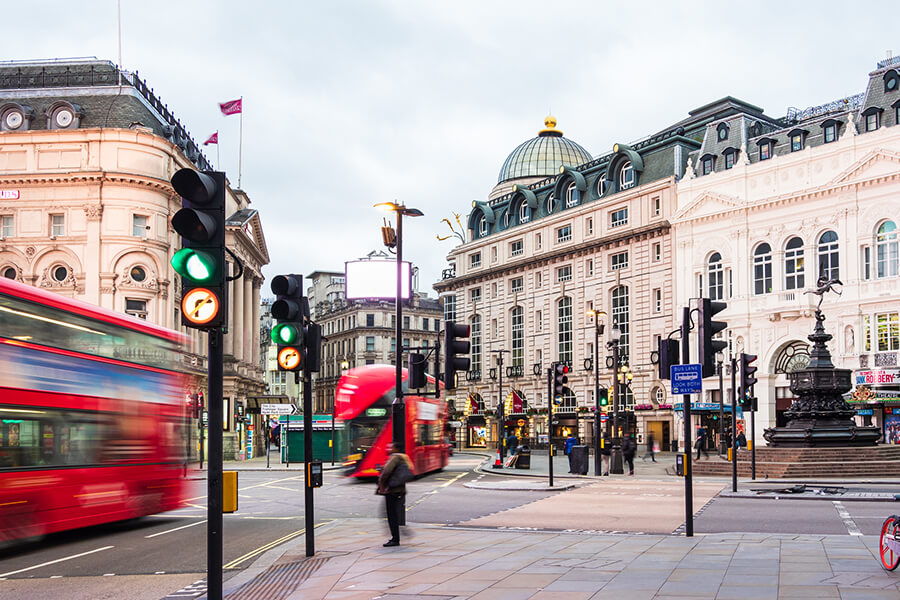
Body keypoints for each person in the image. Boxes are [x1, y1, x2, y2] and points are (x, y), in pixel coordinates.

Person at [377, 443, 413, 547]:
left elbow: (386, 472)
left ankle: (395, 539)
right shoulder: (403, 458)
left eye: (391, 447)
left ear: (395, 449)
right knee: (393, 514)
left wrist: (382, 483)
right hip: (399, 490)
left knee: (391, 515)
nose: (388, 448)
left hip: (392, 490)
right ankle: (398, 535)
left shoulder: (395, 458)